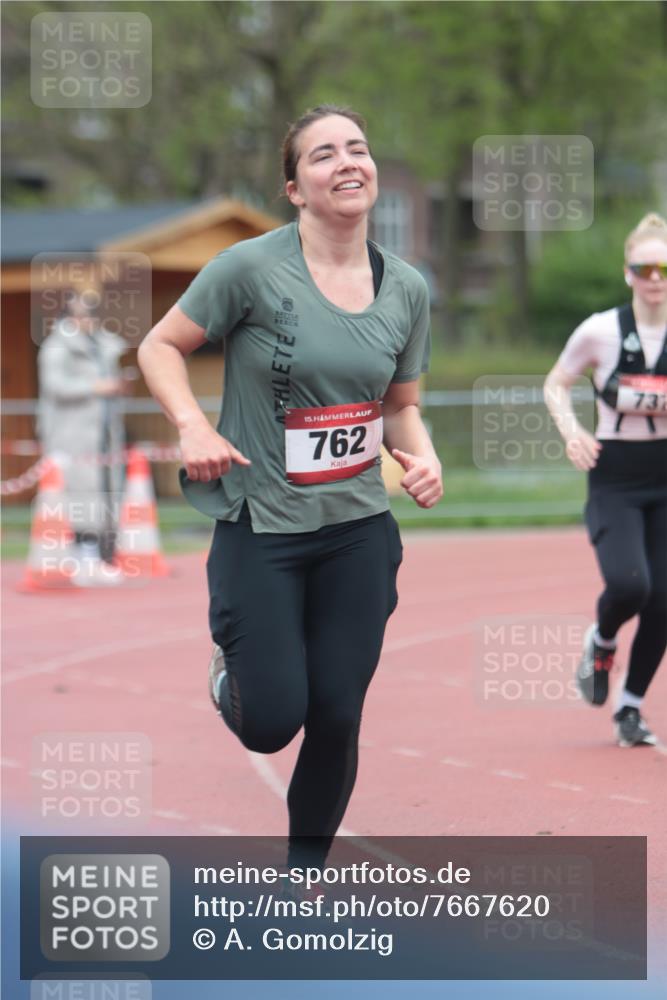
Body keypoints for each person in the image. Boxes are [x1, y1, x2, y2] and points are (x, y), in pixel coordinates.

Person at [138, 105, 443, 868]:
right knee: (272, 720)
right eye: (323, 155)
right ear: (295, 188)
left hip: (357, 531)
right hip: (263, 528)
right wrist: (192, 426)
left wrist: (421, 454)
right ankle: (228, 674)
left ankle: (303, 877)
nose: (346, 163)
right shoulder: (248, 269)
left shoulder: (406, 287)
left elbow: (398, 406)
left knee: (337, 713)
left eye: (358, 150)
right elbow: (159, 345)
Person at [544, 212, 667, 747]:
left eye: (666, 267)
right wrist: (572, 430)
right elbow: (556, 382)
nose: (656, 278)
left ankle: (630, 709)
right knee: (630, 585)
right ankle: (602, 638)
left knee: (664, 599)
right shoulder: (600, 330)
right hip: (615, 475)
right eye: (645, 268)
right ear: (627, 273)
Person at [37, 288, 130, 586]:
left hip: (104, 435)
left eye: (92, 312)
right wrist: (96, 386)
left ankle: (103, 558)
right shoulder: (55, 348)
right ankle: (82, 558)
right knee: (78, 496)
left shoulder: (102, 345)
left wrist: (115, 384)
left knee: (106, 494)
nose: (90, 318)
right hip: (72, 435)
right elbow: (56, 386)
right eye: (82, 313)